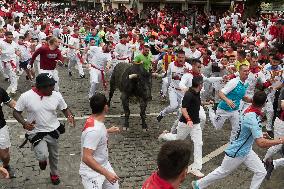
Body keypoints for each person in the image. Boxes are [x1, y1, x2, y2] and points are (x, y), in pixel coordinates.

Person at [192, 91, 284, 189]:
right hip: (237, 150)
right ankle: (198, 184)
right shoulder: (253, 117)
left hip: (246, 150)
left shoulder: (248, 109)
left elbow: (248, 128)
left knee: (261, 172)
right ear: (264, 103)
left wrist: (260, 133)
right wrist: (279, 140)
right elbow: (261, 143)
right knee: (222, 172)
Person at [13, 73, 75, 185]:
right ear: (39, 87)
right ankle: (42, 160)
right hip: (36, 132)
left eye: (52, 85)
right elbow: (16, 112)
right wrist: (24, 123)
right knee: (42, 155)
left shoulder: (56, 95)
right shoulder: (26, 96)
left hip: (53, 130)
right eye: (48, 86)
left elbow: (65, 108)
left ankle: (54, 173)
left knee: (54, 155)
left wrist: (69, 116)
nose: (52, 88)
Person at [79, 93, 120, 189]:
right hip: (91, 173)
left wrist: (108, 131)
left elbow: (96, 135)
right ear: (106, 107)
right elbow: (86, 157)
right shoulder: (94, 130)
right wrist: (107, 173)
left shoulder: (94, 121)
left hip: (104, 165)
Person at [208, 64, 252, 141]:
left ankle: (232, 144)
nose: (247, 72)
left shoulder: (246, 83)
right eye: (245, 71)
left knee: (237, 128)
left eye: (248, 71)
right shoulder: (234, 82)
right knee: (217, 127)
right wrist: (227, 100)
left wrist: (253, 101)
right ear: (239, 72)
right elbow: (221, 93)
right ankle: (211, 111)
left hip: (235, 110)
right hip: (223, 109)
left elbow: (243, 97)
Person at [264, 87, 284, 180]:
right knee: (277, 145)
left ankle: (273, 163)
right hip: (281, 122)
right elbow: (282, 105)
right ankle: (265, 162)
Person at [0, 87, 16, 178]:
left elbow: (12, 103)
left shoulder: (0, 91)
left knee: (5, 156)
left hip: (0, 126)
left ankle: (6, 166)